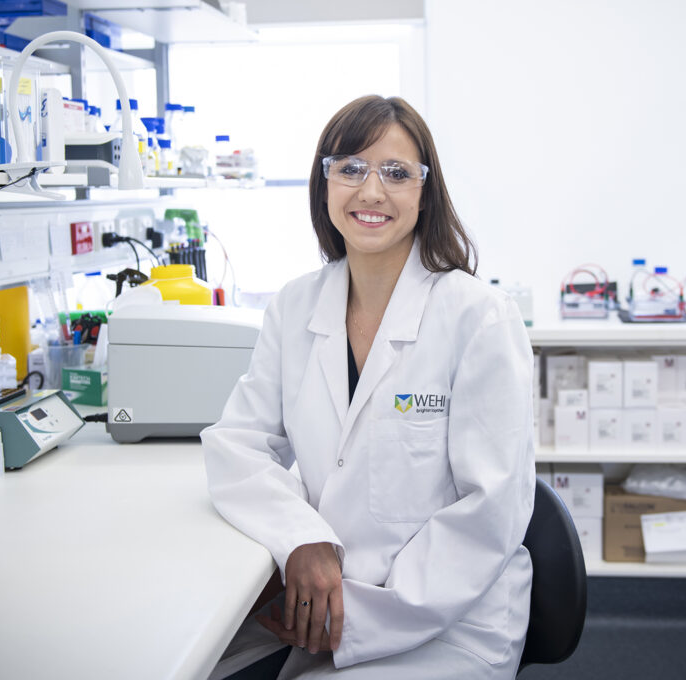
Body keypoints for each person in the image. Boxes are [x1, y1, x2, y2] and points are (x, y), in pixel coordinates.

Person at [202, 95, 536, 680]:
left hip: (447, 620)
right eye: (350, 168)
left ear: (425, 192)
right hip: (318, 602)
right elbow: (236, 444)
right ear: (324, 182)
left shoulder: (479, 317)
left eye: (397, 173)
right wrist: (302, 538)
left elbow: (492, 511)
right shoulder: (294, 306)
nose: (371, 191)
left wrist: (354, 615)